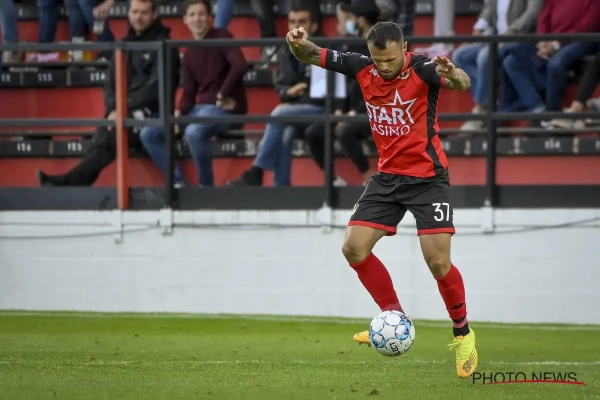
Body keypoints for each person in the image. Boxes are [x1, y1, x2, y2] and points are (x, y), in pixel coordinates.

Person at [285, 22, 477, 378]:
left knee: (438, 263)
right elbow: (310, 54)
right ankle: (393, 315)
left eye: (390, 59)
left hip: (428, 179)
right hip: (387, 178)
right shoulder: (362, 67)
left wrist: (452, 73)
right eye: (378, 60)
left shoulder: (423, 70)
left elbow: (462, 82)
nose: (384, 67)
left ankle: (463, 333)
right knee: (353, 248)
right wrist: (296, 43)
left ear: (404, 48)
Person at [36, 0, 180, 186]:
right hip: (123, 110)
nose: (138, 17)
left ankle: (69, 181)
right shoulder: (123, 44)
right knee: (100, 136)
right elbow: (110, 84)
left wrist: (123, 108)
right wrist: (113, 108)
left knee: (111, 137)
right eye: (135, 12)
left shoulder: (165, 45)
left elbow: (155, 88)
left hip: (153, 113)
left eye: (144, 13)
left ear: (154, 15)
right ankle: (76, 182)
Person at [139, 0, 248, 187]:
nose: (197, 19)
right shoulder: (189, 53)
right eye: (192, 15)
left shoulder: (222, 36)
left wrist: (222, 94)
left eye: (201, 14)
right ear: (185, 19)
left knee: (193, 131)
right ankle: (179, 182)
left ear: (210, 18)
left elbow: (240, 65)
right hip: (199, 111)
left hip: (226, 110)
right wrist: (180, 113)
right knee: (148, 133)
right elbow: (189, 92)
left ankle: (205, 188)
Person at [305, 0, 378, 185]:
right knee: (314, 133)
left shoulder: (380, 49)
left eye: (351, 18)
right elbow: (344, 82)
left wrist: (353, 113)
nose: (348, 22)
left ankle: (368, 177)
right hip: (350, 110)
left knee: (345, 132)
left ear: (361, 21)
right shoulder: (351, 46)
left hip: (375, 110)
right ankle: (333, 180)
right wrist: (339, 109)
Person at [453, 0, 544, 131]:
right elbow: (489, 7)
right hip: (495, 36)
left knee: (485, 56)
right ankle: (489, 101)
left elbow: (533, 11)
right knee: (459, 56)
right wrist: (478, 28)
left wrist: (514, 29)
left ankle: (481, 107)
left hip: (520, 36)